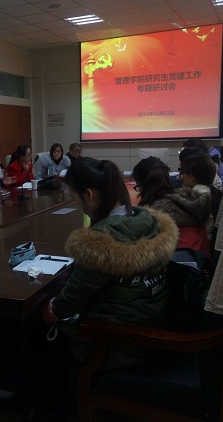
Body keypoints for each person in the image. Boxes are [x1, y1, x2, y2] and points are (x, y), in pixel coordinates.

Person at [42, 157, 178, 369]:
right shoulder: (146, 220)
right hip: (153, 327)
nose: (78, 206)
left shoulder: (99, 243)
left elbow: (65, 306)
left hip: (116, 344)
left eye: (76, 199)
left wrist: (52, 307)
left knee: (39, 337)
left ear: (89, 195)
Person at [132, 156, 211, 257]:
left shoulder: (154, 213)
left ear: (144, 186)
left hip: (175, 262)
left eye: (138, 186)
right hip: (202, 261)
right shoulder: (188, 199)